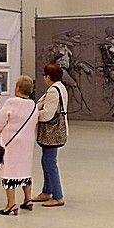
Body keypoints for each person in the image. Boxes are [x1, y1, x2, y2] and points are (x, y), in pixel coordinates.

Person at [0, 76, 39, 215]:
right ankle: (28, 199)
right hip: (27, 144)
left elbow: (0, 122)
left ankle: (11, 204)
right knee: (24, 170)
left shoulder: (11, 103)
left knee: (10, 171)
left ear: (18, 88)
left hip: (10, 144)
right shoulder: (33, 105)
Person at [33, 63, 69, 207]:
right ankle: (47, 191)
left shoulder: (54, 91)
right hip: (53, 132)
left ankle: (58, 195)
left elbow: (48, 114)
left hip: (52, 132)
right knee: (46, 161)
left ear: (48, 77)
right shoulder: (59, 87)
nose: (44, 78)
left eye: (45, 75)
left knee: (49, 163)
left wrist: (33, 116)